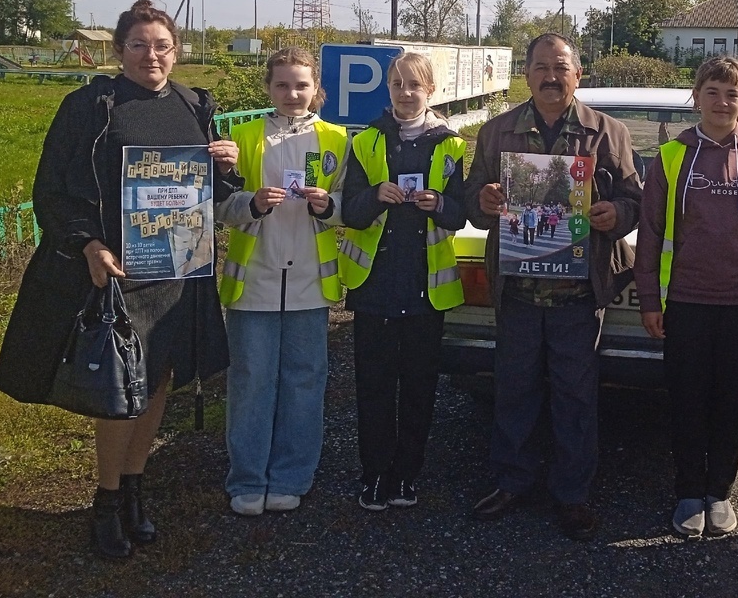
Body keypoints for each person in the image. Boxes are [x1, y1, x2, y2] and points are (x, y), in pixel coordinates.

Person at [0, 0, 236, 560]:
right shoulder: (91, 107)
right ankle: (105, 500)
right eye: (139, 45)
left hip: (177, 270)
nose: (152, 55)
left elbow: (208, 194)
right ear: (120, 49)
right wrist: (88, 244)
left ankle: (134, 488)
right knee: (119, 388)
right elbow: (51, 189)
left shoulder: (193, 104)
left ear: (176, 52)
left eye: (162, 46)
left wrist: (225, 169)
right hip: (119, 274)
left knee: (157, 383)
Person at [465, 33, 642, 541]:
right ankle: (512, 482)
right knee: (514, 390)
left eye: (560, 67)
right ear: (526, 74)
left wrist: (615, 214)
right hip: (518, 290)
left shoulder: (607, 133)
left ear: (577, 74)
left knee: (575, 396)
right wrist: (487, 199)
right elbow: (473, 202)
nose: (550, 76)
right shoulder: (497, 132)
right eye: (541, 67)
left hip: (579, 295)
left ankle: (573, 494)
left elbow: (635, 200)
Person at [634, 56, 738, 539]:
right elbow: (652, 231)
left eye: (733, 94)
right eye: (713, 92)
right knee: (686, 400)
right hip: (685, 301)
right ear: (697, 96)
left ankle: (719, 492)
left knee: (731, 402)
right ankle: (687, 492)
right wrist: (649, 301)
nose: (722, 102)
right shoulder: (671, 157)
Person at [215, 47, 347, 516]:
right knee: (251, 381)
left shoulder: (337, 140)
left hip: (312, 284)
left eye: (302, 85)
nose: (292, 94)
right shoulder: (244, 137)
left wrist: (327, 207)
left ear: (317, 90)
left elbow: (353, 208)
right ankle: (247, 478)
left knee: (305, 382)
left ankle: (292, 475)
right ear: (268, 88)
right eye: (282, 85)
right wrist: (251, 203)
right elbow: (218, 207)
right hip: (255, 283)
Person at [339, 52, 467, 511]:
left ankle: (406, 477)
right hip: (373, 289)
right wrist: (375, 196)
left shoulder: (450, 144)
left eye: (415, 85)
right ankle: (373, 476)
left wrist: (438, 204)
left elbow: (461, 213)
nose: (405, 92)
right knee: (373, 389)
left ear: (431, 90)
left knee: (418, 389)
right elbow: (349, 212)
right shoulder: (367, 141)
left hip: (425, 289)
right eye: (397, 84)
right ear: (388, 89)